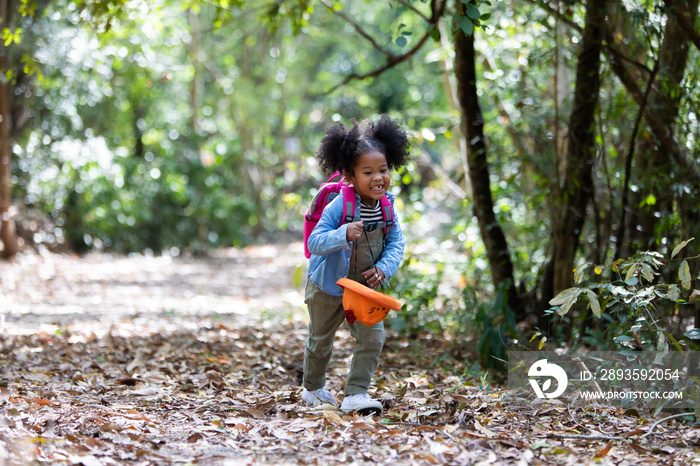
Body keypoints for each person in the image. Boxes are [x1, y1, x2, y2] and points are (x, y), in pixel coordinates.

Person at [302, 114, 409, 414]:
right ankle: (313, 388)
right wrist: (342, 234)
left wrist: (385, 268)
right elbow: (315, 243)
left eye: (383, 170)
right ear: (350, 176)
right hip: (327, 285)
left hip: (362, 289)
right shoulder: (341, 204)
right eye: (368, 172)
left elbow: (396, 243)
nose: (378, 178)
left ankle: (356, 393)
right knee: (321, 340)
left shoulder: (388, 207)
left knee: (373, 337)